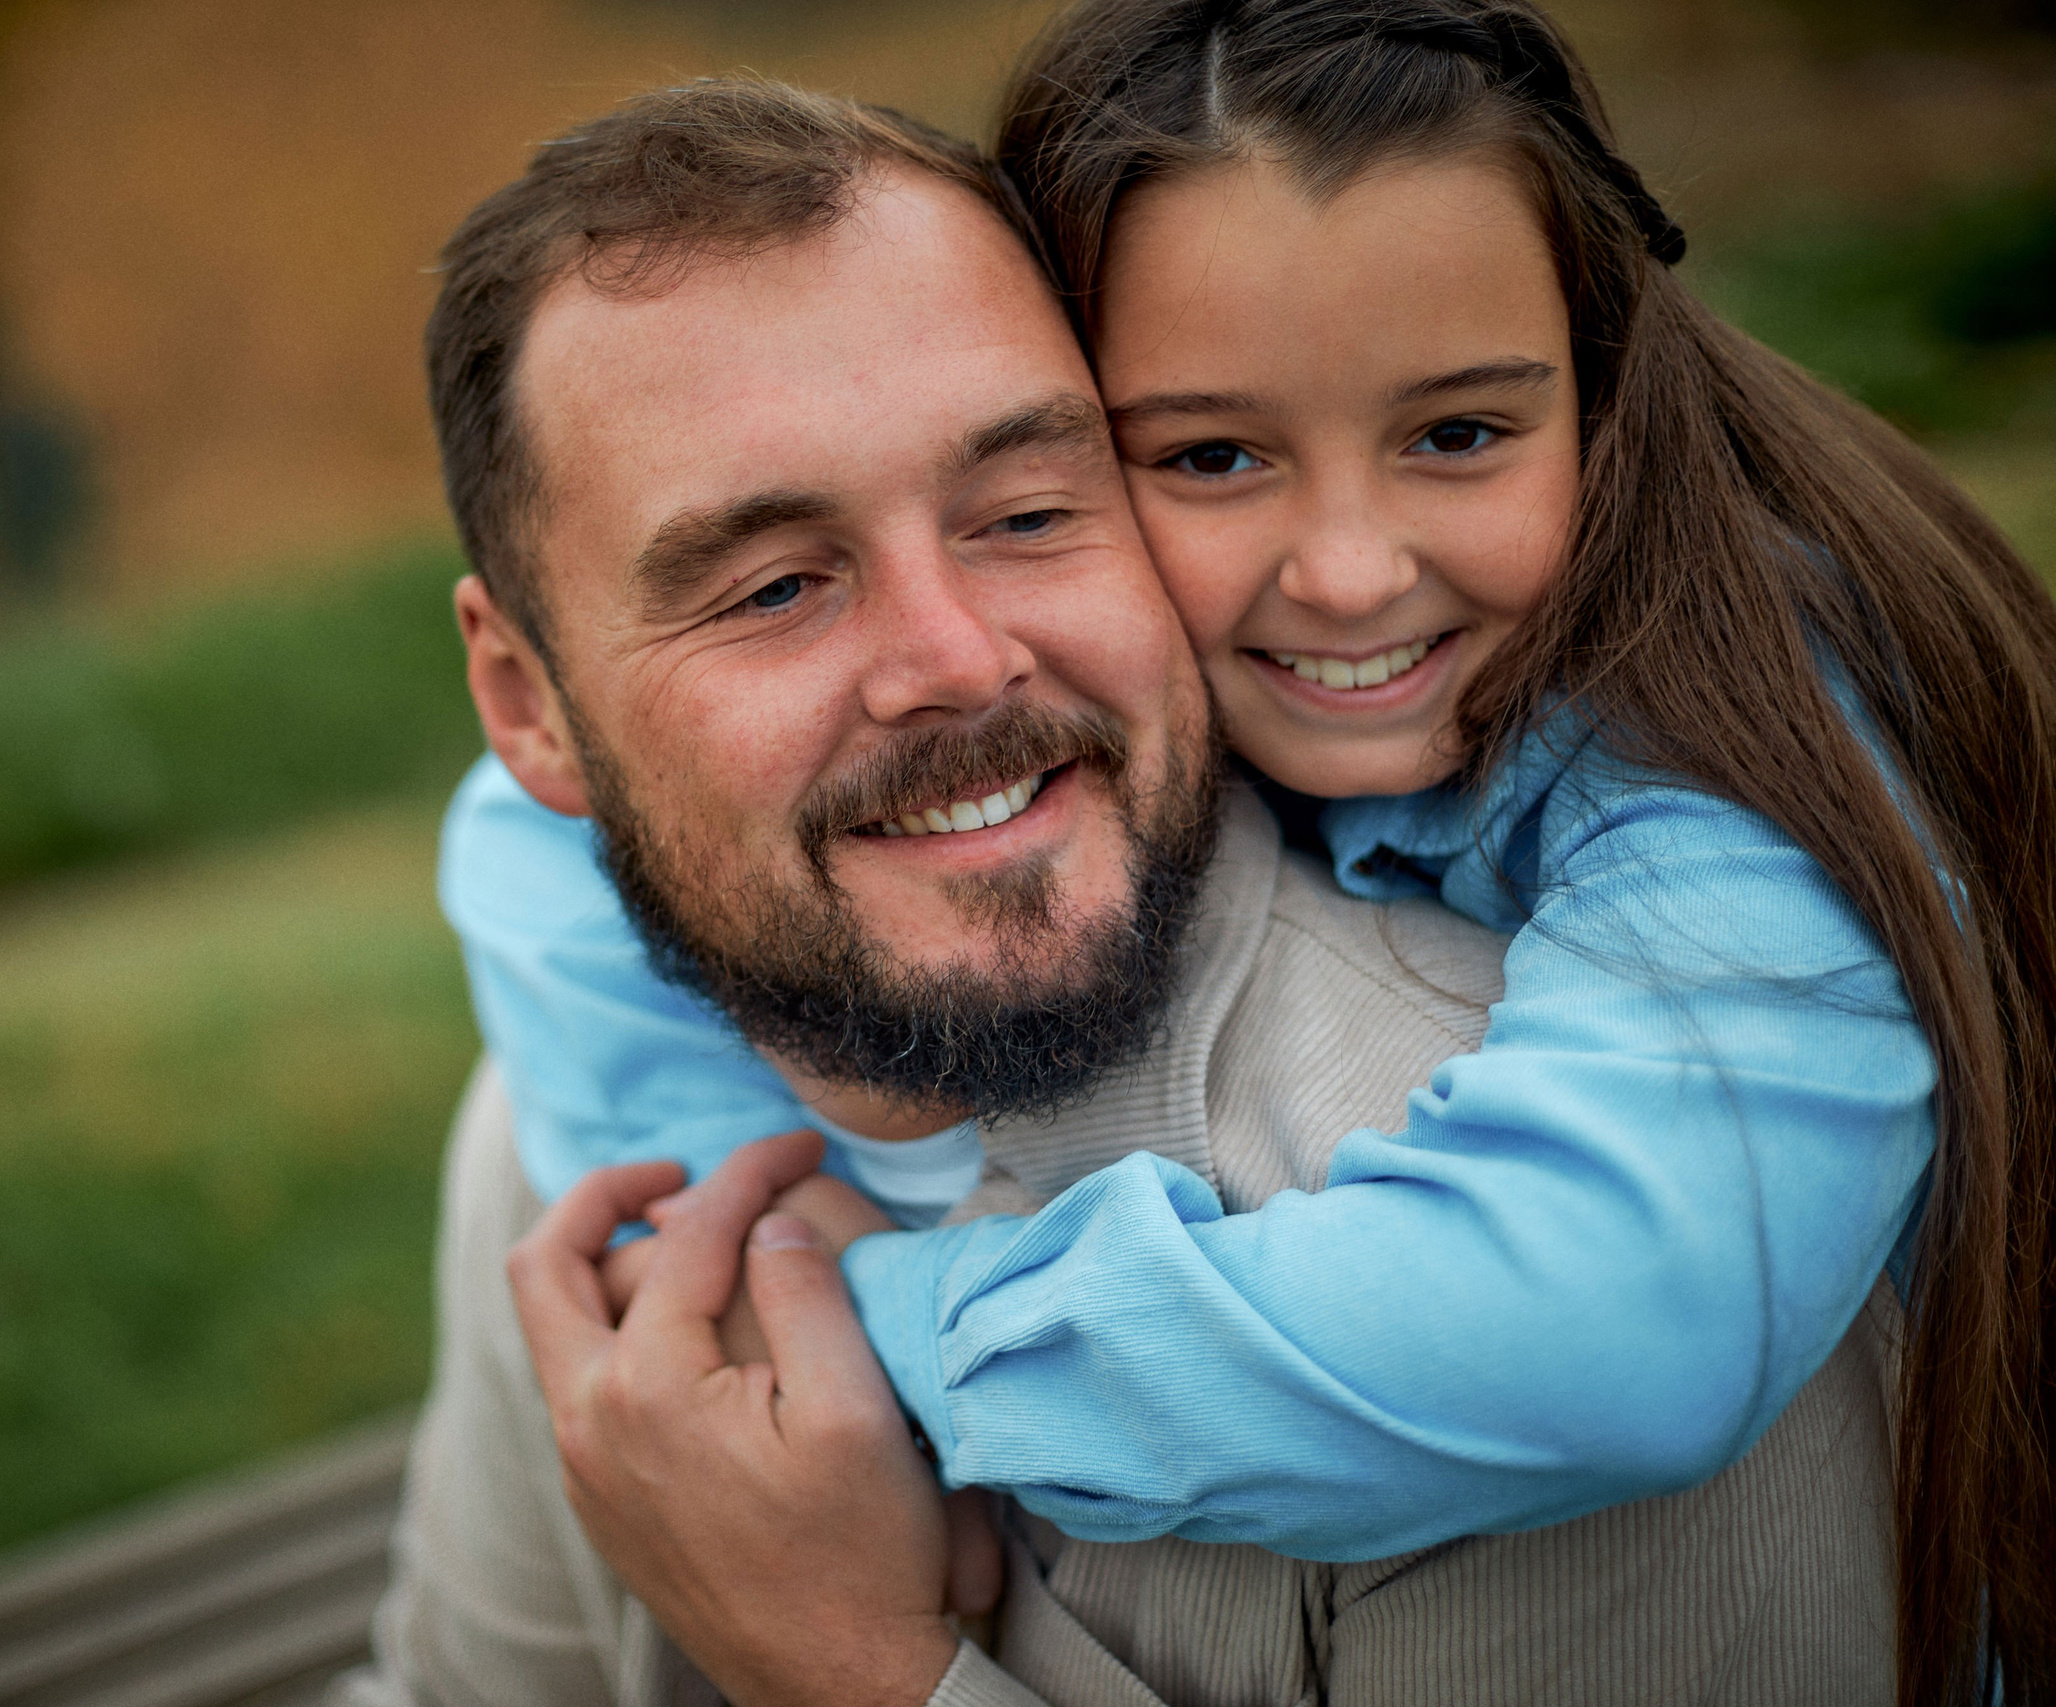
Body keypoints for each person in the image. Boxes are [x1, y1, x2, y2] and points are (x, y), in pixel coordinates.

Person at [437, 1, 2056, 1696]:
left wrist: (868, 1559)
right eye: (1212, 455)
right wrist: (717, 1252)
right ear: (536, 708)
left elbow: (1617, 1329)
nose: (1349, 572)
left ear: (1607, 396)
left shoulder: (1691, 863)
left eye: (1022, 512)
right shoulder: (568, 1123)